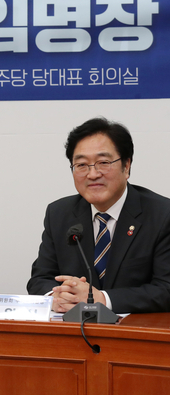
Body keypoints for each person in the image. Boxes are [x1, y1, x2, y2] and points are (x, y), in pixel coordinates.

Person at [28, 117, 170, 314]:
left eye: (103, 162)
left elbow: (165, 289)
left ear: (126, 166)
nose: (92, 174)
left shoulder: (162, 215)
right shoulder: (59, 213)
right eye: (81, 165)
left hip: (137, 329)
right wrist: (56, 297)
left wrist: (102, 299)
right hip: (74, 328)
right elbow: (39, 279)